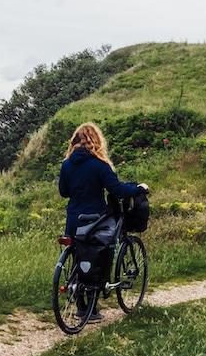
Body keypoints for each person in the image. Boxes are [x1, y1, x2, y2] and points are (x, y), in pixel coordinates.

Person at [58, 122, 145, 320]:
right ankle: (93, 308)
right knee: (98, 257)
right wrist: (139, 188)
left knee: (77, 258)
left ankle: (81, 307)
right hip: (95, 218)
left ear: (75, 141)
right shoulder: (100, 165)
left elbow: (64, 192)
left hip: (74, 218)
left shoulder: (67, 164)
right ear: (96, 141)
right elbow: (118, 190)